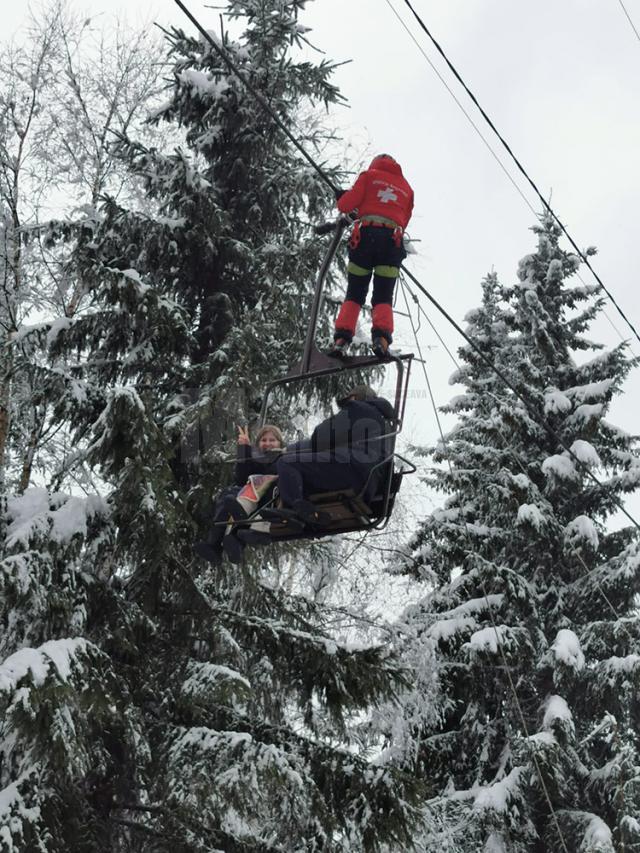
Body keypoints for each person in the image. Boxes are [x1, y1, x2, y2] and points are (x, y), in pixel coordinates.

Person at [247, 385, 395, 538]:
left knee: (287, 463)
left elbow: (320, 438)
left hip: (351, 470)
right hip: (369, 485)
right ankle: (310, 516)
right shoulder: (384, 423)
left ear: (355, 398)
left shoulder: (359, 409)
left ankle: (291, 511)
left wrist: (287, 451)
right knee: (302, 475)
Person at [330, 154, 414, 358]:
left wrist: (343, 197)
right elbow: (403, 220)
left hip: (365, 240)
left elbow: (345, 205)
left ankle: (341, 339)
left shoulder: (368, 176)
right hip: (391, 243)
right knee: (383, 295)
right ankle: (382, 339)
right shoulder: (407, 189)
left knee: (355, 293)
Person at [194, 424, 284, 564]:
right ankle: (216, 543)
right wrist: (244, 449)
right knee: (228, 496)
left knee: (236, 497)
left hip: (267, 497)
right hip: (249, 495)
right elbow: (241, 478)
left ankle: (235, 541)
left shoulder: (283, 458)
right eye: (263, 440)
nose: (267, 443)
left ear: (279, 442)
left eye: (272, 440)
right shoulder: (256, 459)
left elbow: (274, 475)